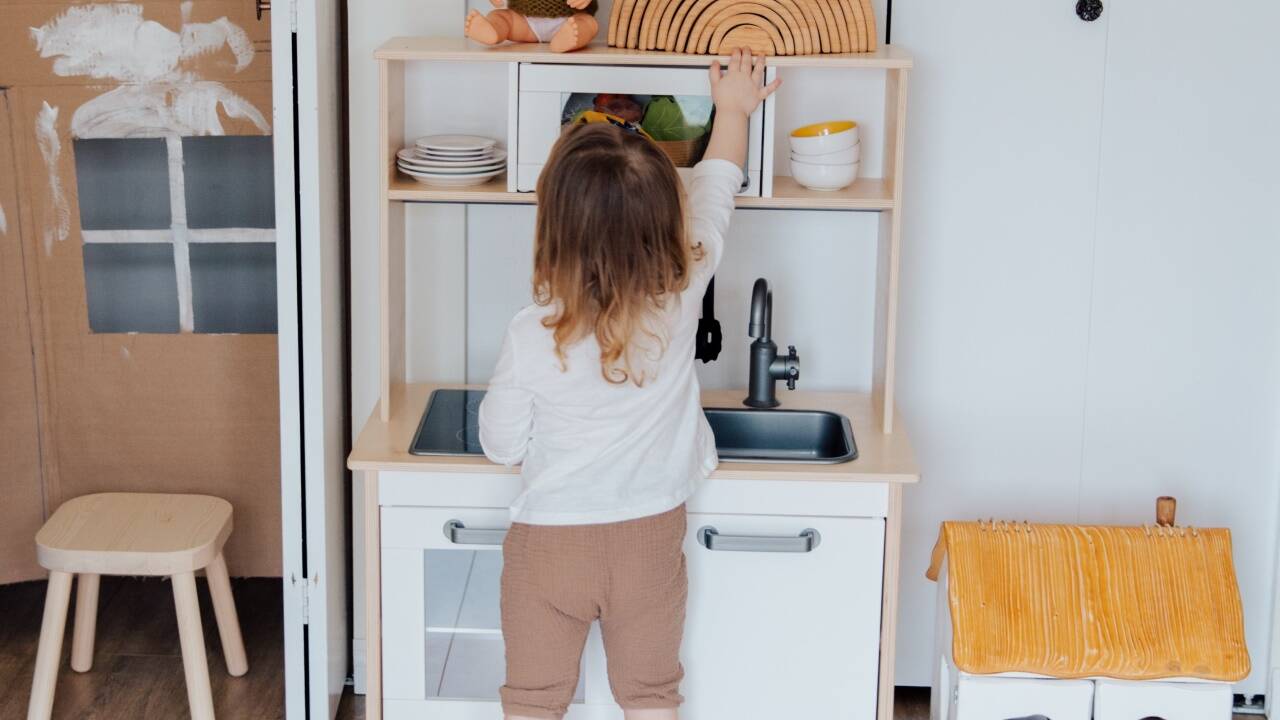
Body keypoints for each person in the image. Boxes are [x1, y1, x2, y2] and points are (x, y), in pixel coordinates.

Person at [479, 49, 781, 720]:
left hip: (551, 543)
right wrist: (732, 107)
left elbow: (500, 447)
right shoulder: (684, 289)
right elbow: (718, 185)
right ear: (663, 222)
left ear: (553, 227)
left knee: (532, 702)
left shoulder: (533, 333)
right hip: (648, 541)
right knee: (649, 698)